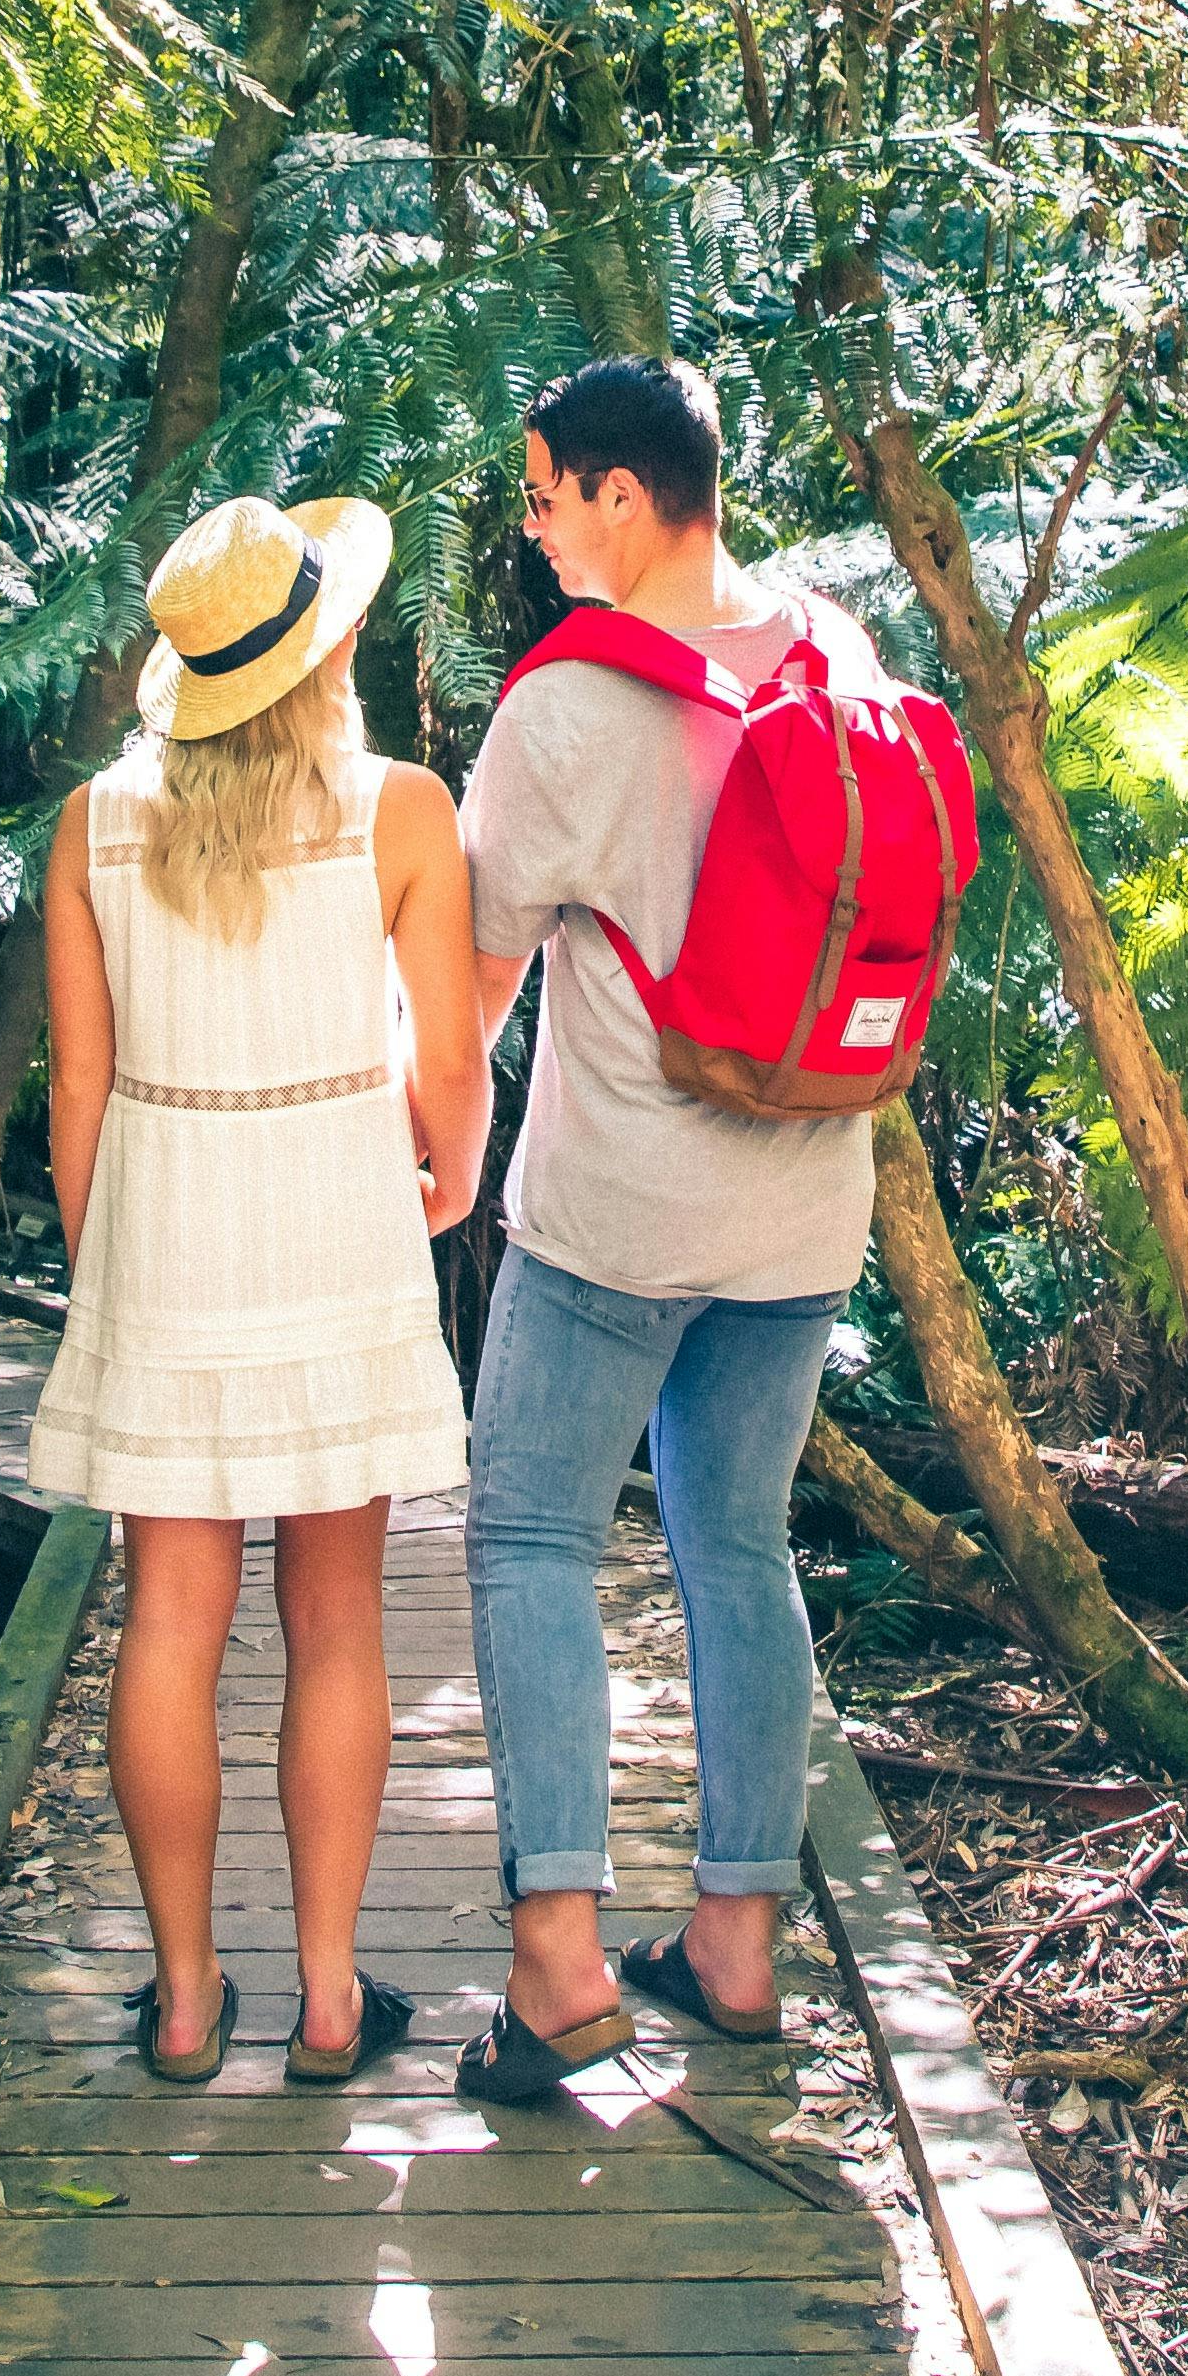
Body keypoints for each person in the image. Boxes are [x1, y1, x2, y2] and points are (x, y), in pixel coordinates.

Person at [448, 356, 885, 2105]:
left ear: (625, 495)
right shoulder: (835, 648)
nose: (537, 528)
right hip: (802, 1212)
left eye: (548, 495)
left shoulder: (560, 710)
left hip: (616, 1216)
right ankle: (734, 1945)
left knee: (531, 1538)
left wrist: (432, 1154)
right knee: (737, 1549)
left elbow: (477, 975)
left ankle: (558, 1964)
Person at [21, 495, 488, 2086]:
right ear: (327, 645)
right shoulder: (404, 809)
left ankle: (180, 1995)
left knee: (170, 1621)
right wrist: (452, 1172)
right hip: (338, 1238)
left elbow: (78, 1090)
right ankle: (336, 1996)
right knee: (338, 1620)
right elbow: (447, 1058)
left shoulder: (94, 824)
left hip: (170, 1243)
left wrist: (107, 1276)